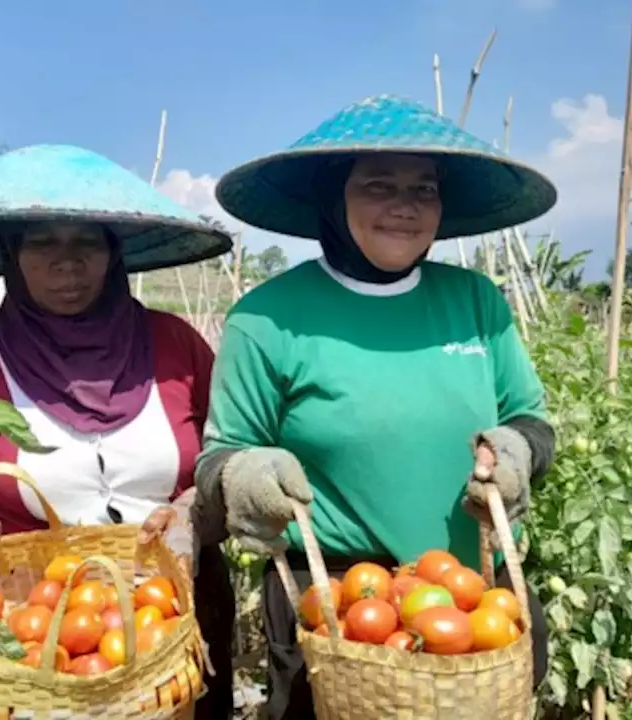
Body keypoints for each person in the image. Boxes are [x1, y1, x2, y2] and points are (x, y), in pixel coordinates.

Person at [192, 94, 559, 719]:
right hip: (338, 606)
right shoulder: (268, 318)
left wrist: (519, 451)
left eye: (425, 188)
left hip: (472, 602)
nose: (405, 206)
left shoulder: (476, 302)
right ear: (332, 199)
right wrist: (241, 476)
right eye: (378, 185)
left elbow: (530, 419)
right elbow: (220, 455)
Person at [0, 144, 237, 719]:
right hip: (39, 629)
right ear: (11, 255)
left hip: (177, 612)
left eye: (86, 242)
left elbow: (225, 449)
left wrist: (197, 504)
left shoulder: (176, 345)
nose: (66, 264)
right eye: (42, 243)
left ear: (113, 254)